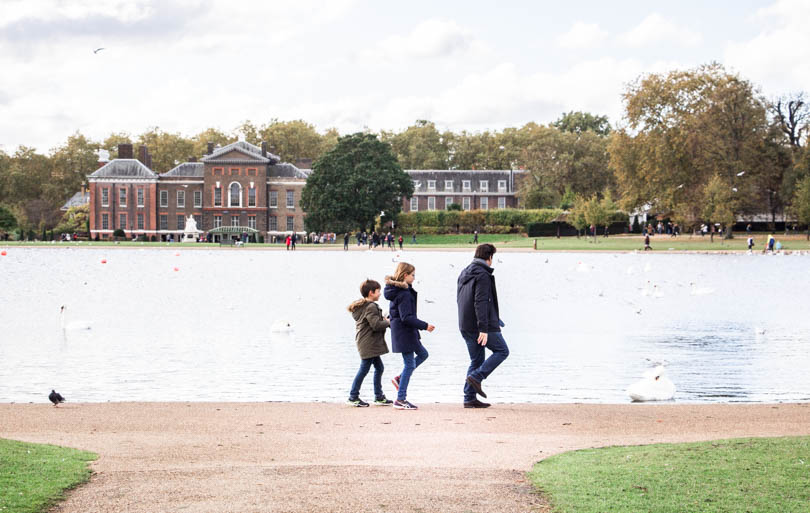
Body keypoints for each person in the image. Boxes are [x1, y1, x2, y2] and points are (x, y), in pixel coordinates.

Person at [456, 243, 509, 408]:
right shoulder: (483, 275)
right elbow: (480, 302)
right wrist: (483, 329)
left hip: (465, 323)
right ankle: (477, 377)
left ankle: (469, 398)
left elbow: (462, 299)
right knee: (502, 351)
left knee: (477, 360)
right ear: (489, 258)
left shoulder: (465, 271)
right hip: (479, 325)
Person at [384, 262, 435, 410]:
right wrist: (425, 326)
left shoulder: (399, 290)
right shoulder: (404, 293)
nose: (414, 278)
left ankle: (400, 379)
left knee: (423, 354)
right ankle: (400, 399)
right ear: (405, 275)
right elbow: (406, 317)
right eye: (412, 275)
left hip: (406, 332)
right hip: (404, 333)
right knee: (409, 364)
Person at [346, 279, 393, 407]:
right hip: (368, 343)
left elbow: (372, 322)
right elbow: (376, 325)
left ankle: (378, 396)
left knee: (379, 367)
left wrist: (383, 320)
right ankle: (353, 396)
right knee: (364, 369)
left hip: (367, 342)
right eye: (378, 291)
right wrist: (388, 322)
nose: (380, 294)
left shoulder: (365, 306)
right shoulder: (371, 306)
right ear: (371, 293)